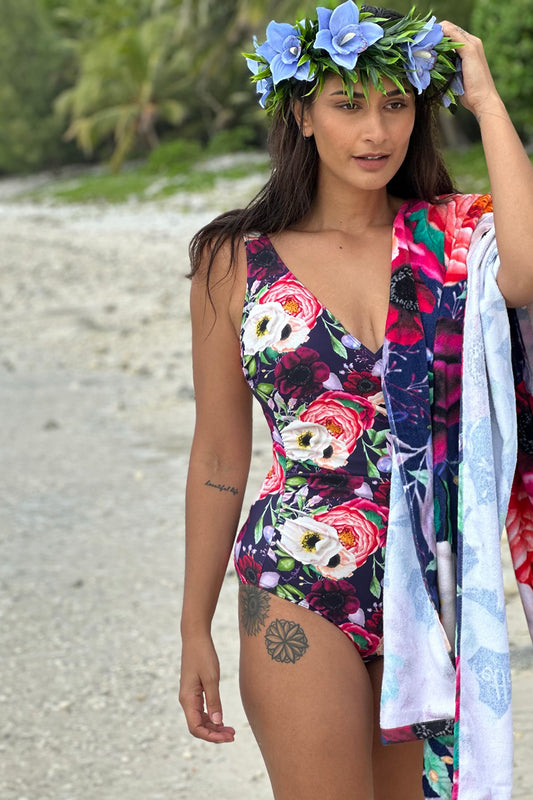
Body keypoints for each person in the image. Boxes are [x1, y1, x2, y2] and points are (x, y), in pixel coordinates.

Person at [179, 3, 533, 799]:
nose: (375, 131)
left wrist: (485, 99)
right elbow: (218, 455)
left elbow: (527, 273)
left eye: (395, 104)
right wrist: (191, 625)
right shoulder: (231, 259)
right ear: (301, 113)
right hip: (298, 579)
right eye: (347, 105)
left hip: (434, 585)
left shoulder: (452, 236)